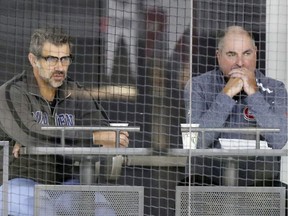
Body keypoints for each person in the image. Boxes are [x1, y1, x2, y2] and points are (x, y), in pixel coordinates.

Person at [0, 27, 129, 215]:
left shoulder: (75, 93)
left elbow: (104, 132)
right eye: (51, 59)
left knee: (103, 212)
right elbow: (31, 133)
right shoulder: (12, 92)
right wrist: (93, 138)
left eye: (65, 59)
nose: (60, 67)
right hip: (16, 181)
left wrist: (113, 138)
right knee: (42, 210)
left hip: (64, 184)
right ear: (33, 60)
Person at [182, 25, 287, 186]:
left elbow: (279, 140)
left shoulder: (275, 88)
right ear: (218, 56)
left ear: (256, 53)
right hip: (209, 186)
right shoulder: (198, 86)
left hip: (258, 187)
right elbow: (195, 142)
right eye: (232, 54)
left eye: (247, 53)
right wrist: (227, 94)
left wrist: (253, 94)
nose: (240, 63)